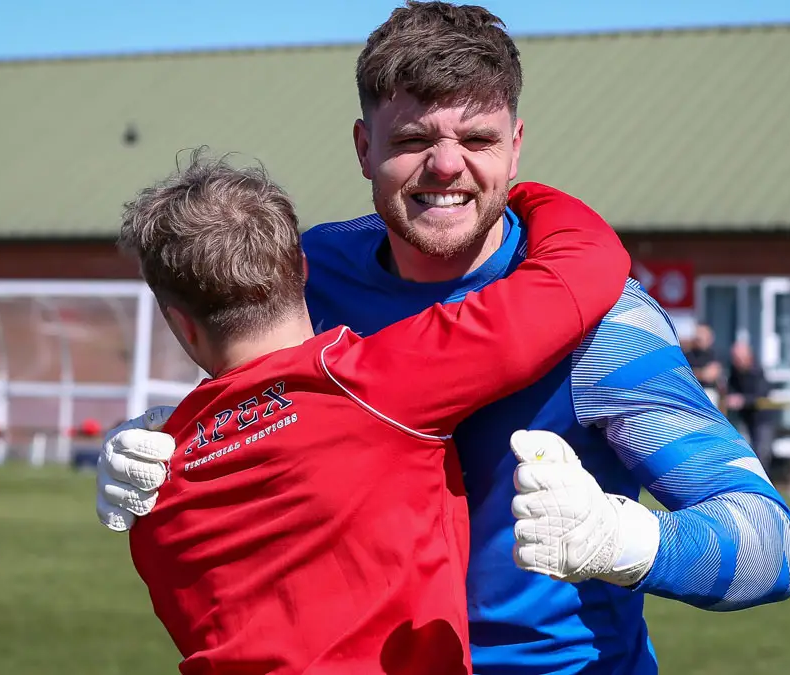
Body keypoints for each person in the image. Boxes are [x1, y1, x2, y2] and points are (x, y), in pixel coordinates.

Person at [97, 3, 790, 673]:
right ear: (363, 146)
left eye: (477, 139)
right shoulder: (313, 275)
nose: (445, 166)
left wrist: (626, 540)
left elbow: (770, 545)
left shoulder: (605, 321)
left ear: (516, 148)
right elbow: (260, 406)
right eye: (412, 140)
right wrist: (166, 446)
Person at [113, 153, 631, 674]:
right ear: (304, 270)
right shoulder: (379, 382)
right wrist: (512, 195)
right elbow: (586, 263)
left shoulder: (150, 487)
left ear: (179, 322)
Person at [725, 341, 776, 472]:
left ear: (749, 357)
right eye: (735, 359)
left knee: (762, 453)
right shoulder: (734, 372)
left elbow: (762, 394)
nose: (737, 362)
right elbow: (730, 390)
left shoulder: (757, 372)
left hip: (762, 418)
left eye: (739, 358)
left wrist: (743, 400)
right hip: (745, 417)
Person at [684, 324, 725, 407]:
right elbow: (685, 374)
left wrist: (697, 373)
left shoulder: (715, 355)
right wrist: (702, 373)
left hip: (708, 392)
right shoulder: (687, 355)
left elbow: (711, 375)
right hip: (691, 390)